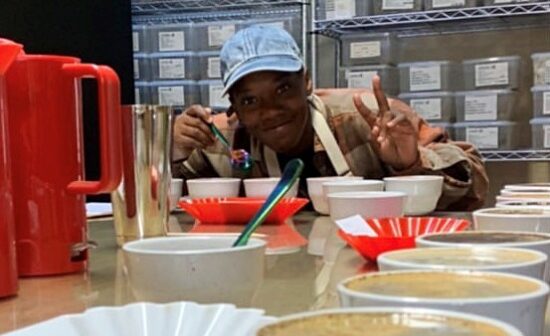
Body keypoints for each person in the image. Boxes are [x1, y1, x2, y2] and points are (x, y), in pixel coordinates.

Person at [171, 25, 488, 210]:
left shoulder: (370, 117)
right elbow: (156, 202)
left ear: (306, 81)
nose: (270, 111)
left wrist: (411, 164)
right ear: (234, 107)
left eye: (282, 89)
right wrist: (171, 149)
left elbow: (475, 182)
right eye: (250, 99)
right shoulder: (220, 140)